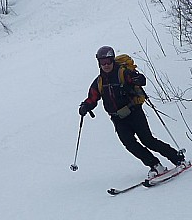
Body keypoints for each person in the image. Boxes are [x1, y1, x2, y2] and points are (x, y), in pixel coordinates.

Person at [78, 45, 185, 179]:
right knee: (129, 144)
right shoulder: (99, 81)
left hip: (134, 112)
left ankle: (177, 158)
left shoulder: (122, 73)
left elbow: (140, 80)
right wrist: (85, 106)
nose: (105, 65)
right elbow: (93, 97)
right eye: (102, 63)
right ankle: (155, 165)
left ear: (113, 61)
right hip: (117, 118)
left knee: (148, 140)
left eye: (108, 62)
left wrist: (138, 79)